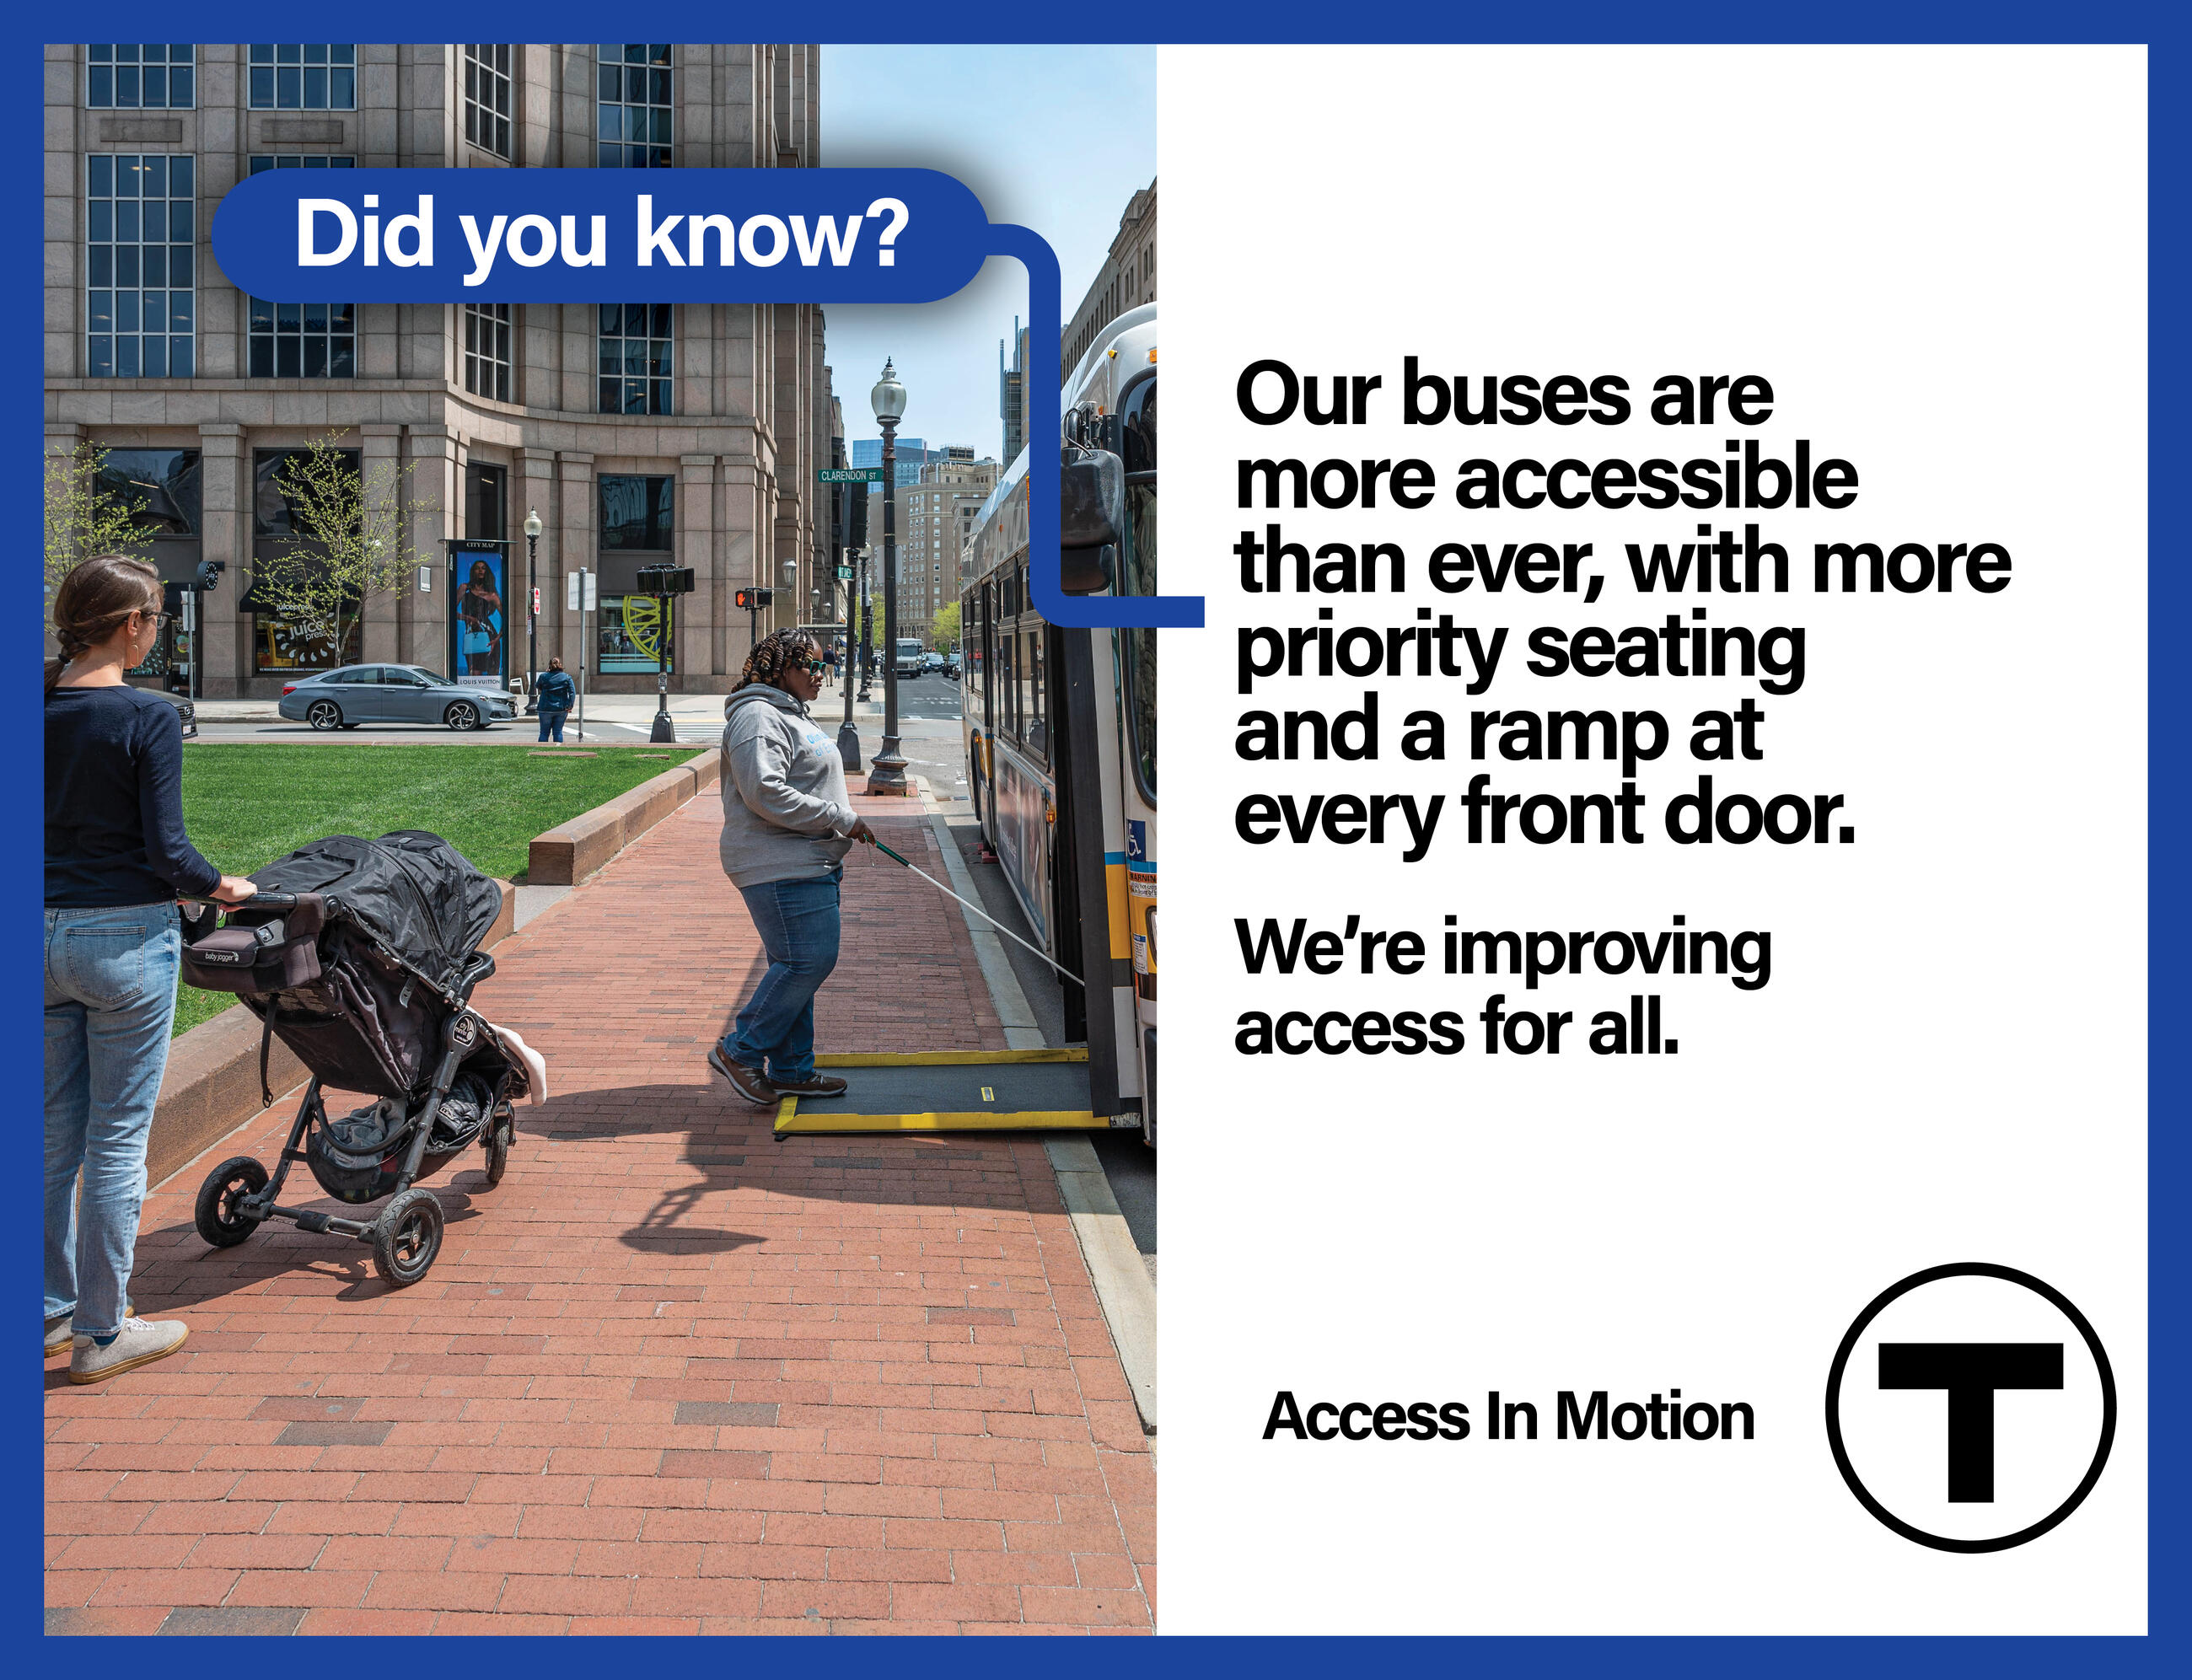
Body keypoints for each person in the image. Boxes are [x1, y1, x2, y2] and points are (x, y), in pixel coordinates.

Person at [46, 556, 255, 1382]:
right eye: (157, 618)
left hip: (34, 936)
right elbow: (168, 851)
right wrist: (222, 887)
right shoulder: (147, 715)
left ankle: (48, 1313)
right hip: (124, 941)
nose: (157, 632)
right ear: (130, 625)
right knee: (117, 1140)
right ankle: (102, 1331)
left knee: (49, 1141)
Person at [710, 629, 874, 1106]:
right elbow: (764, 791)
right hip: (779, 862)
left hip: (807, 858)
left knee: (795, 966)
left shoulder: (786, 713)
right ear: (782, 668)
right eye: (812, 665)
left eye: (825, 665)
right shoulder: (758, 717)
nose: (822, 674)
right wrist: (840, 817)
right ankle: (740, 1050)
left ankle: (791, 1071)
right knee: (809, 961)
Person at [457, 560, 502, 679]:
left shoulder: (492, 595)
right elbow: (450, 611)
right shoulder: (464, 588)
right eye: (478, 568)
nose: (481, 570)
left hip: (489, 636)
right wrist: (468, 618)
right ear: (473, 571)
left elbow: (506, 618)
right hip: (473, 636)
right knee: (474, 673)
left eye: (483, 568)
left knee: (492, 674)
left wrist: (497, 639)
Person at [535, 654, 577, 743]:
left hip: (545, 708)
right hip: (561, 708)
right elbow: (572, 693)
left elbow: (538, 686)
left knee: (544, 733)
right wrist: (570, 705)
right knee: (558, 732)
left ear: (549, 666)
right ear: (560, 665)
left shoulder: (543, 676)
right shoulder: (567, 677)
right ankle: (558, 752)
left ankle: (542, 752)